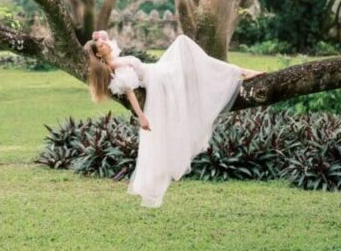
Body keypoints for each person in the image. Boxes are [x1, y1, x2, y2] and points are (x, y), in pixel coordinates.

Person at [83, 31, 264, 208]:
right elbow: (130, 91)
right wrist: (142, 117)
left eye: (104, 42)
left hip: (157, 72)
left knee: (188, 52)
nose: (106, 44)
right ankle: (239, 72)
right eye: (101, 45)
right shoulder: (115, 66)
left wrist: (99, 38)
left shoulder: (113, 59)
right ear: (99, 53)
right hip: (160, 80)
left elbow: (106, 37)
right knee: (184, 44)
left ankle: (238, 72)